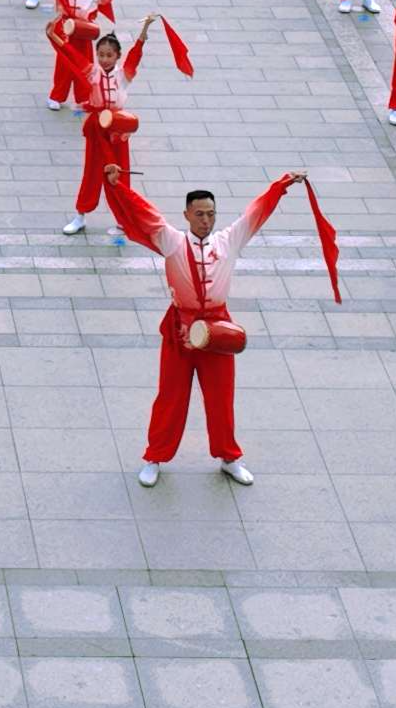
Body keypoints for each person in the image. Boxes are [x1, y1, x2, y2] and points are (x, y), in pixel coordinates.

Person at [98, 169, 338, 487]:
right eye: (199, 214)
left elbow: (258, 210)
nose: (205, 220)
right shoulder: (171, 240)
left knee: (221, 397)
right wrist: (116, 186)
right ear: (186, 214)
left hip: (217, 328)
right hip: (179, 328)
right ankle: (154, 456)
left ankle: (228, 457)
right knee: (171, 395)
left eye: (211, 214)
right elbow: (142, 212)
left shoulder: (229, 240)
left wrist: (281, 186)